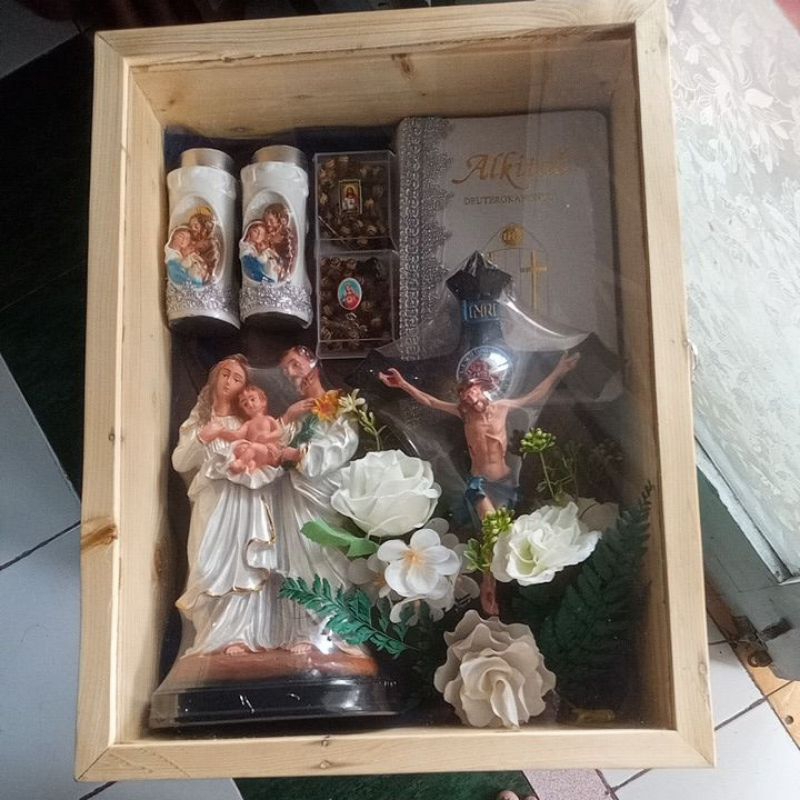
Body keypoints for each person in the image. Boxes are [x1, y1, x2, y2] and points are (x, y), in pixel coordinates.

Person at [379, 352, 580, 614]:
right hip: (479, 484)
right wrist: (403, 384)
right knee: (490, 529)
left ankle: (504, 593)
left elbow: (534, 396)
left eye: (472, 393)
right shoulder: (465, 415)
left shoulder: (502, 407)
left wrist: (560, 370)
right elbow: (430, 401)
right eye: (464, 397)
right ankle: (488, 584)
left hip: (505, 483)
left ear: (483, 389)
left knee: (503, 539)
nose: (469, 399)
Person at [172, 355, 308, 657]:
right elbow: (180, 462)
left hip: (245, 501)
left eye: (237, 379)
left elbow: (273, 444)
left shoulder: (242, 424)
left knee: (243, 564)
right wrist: (203, 437)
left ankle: (240, 634)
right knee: (208, 565)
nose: (229, 382)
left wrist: (290, 419)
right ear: (214, 378)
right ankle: (214, 634)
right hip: (211, 503)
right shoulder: (198, 423)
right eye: (225, 374)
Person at [273, 345, 363, 655]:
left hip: (324, 489)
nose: (291, 373)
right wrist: (288, 419)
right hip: (295, 493)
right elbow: (274, 446)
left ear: (312, 363)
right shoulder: (299, 411)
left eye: (295, 364)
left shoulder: (339, 403)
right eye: (286, 370)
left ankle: (337, 628)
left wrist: (300, 455)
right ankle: (303, 631)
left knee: (327, 553)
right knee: (297, 556)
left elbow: (345, 441)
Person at [203, 384, 288, 474]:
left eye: (252, 399)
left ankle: (241, 463)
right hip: (255, 452)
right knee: (240, 449)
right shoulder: (248, 424)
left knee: (253, 447)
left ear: (263, 401)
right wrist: (221, 431)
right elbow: (237, 435)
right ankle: (251, 463)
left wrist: (268, 437)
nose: (250, 404)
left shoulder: (268, 419)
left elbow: (279, 432)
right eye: (245, 404)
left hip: (268, 452)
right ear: (243, 410)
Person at [188, 209, 220, 281]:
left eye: (196, 226)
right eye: (191, 226)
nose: (192, 228)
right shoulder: (195, 239)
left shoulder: (209, 241)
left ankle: (210, 273)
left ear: (204, 227)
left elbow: (202, 246)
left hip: (206, 263)